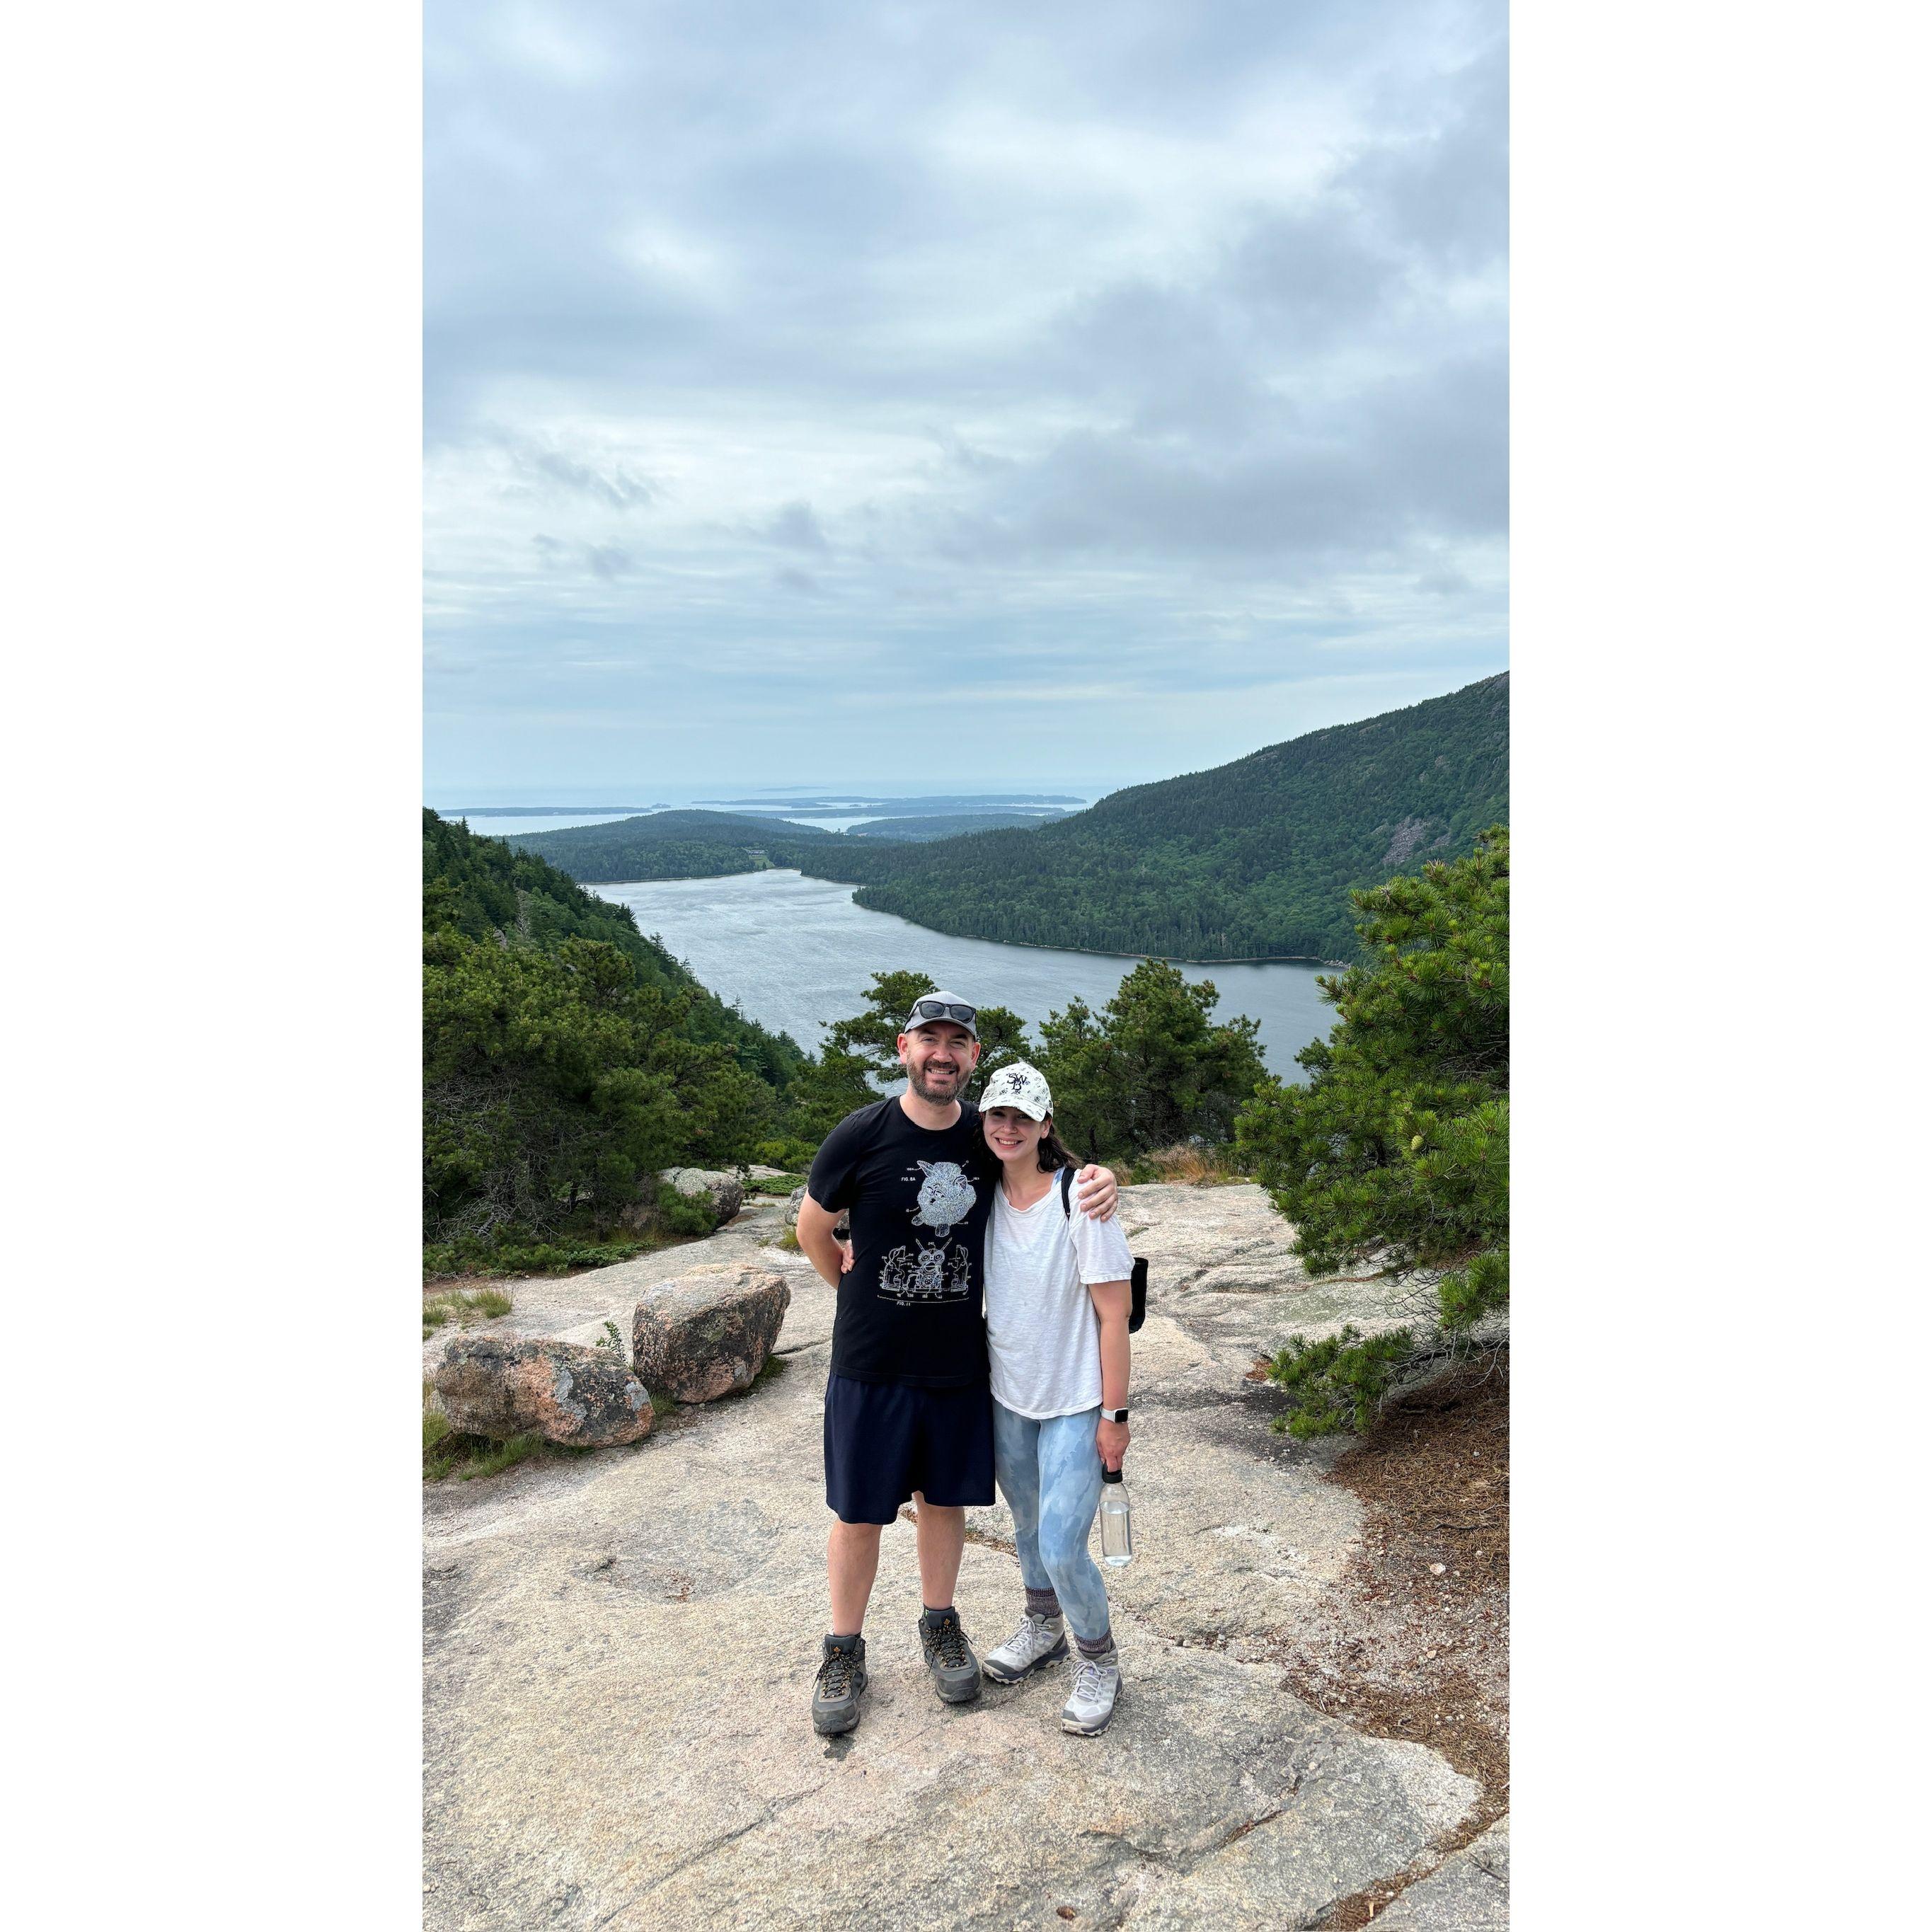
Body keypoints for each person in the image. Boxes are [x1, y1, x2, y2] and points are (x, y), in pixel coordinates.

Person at [795, 991, 1119, 1737]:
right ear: (904, 1048)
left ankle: (939, 1625)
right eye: (929, 1039)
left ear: (973, 1058)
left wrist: (1101, 1180)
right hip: (870, 1364)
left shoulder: (986, 1133)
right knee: (859, 1512)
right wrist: (848, 1287)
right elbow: (813, 1228)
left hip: (955, 1364)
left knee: (942, 1504)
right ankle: (843, 1649)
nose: (942, 1053)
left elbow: (1046, 1164)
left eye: (958, 1042)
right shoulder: (862, 1134)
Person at [972, 1061, 1134, 1737]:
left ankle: (1100, 1661)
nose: (1008, 1128)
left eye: (1022, 1116)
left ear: (1046, 1125)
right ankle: (1043, 1627)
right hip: (1007, 1396)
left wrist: (1115, 1416)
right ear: (984, 1122)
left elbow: (1115, 1314)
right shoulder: (980, 1195)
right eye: (997, 1115)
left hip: (1074, 1401)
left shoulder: (1081, 1200)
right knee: (1029, 1528)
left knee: (1065, 1545)